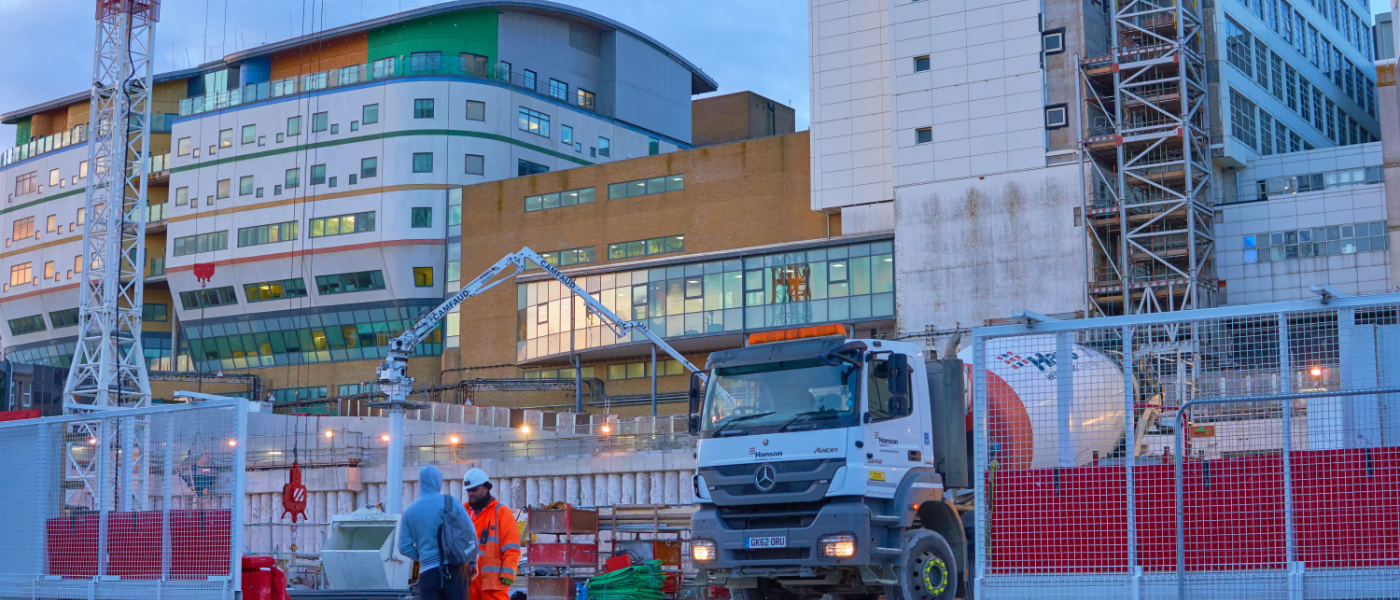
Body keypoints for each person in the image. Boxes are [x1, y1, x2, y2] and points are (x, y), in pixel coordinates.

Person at [399, 466, 478, 600]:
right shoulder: (452, 502)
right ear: (438, 482)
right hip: (455, 570)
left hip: (428, 575)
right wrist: (473, 563)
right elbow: (471, 534)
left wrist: (424, 556)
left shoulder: (409, 511)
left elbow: (403, 547)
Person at [463, 468, 522, 600]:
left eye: (474, 489)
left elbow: (512, 548)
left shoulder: (501, 513)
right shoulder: (462, 511)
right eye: (468, 490)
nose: (470, 493)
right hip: (468, 582)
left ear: (486, 487)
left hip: (493, 584)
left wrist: (508, 573)